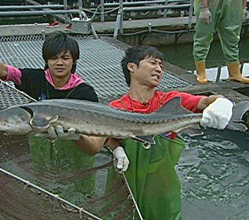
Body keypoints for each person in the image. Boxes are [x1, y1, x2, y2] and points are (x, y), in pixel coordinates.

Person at [53, 45, 234, 219]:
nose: (159, 69)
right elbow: (93, 147)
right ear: (132, 67)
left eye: (161, 66)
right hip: (124, 188)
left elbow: (205, 102)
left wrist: (221, 102)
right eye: (153, 63)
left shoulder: (171, 101)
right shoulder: (114, 109)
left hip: (162, 190)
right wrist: (76, 136)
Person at [193, 0, 249, 84]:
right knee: (204, 35)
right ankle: (200, 72)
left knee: (232, 37)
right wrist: (204, 7)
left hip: (234, 3)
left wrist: (244, 7)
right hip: (210, 3)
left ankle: (235, 73)